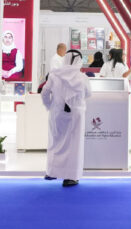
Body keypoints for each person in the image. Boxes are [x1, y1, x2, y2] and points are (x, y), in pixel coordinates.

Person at [41, 49, 91, 187]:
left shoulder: (54, 75)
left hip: (57, 113)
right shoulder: (82, 78)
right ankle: (71, 177)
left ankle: (52, 172)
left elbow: (44, 93)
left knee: (55, 141)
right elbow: (88, 93)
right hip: (76, 114)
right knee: (74, 145)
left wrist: (50, 106)